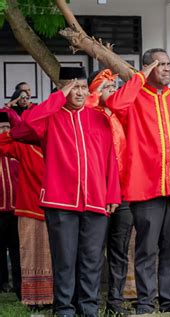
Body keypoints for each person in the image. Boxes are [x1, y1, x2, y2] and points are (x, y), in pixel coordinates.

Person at [19, 67, 121, 316]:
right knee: (64, 260)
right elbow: (23, 127)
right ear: (62, 89)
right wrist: (56, 97)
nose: (79, 92)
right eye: (73, 87)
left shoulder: (98, 118)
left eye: (83, 87)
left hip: (96, 201)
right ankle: (64, 308)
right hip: (60, 201)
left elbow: (111, 159)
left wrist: (112, 195)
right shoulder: (49, 117)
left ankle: (88, 308)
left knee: (91, 260)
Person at [106, 49, 170, 314]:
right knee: (146, 249)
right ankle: (145, 303)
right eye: (161, 64)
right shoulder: (135, 97)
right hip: (145, 186)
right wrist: (138, 78)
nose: (168, 69)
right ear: (147, 68)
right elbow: (114, 104)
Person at [86, 69, 135, 315]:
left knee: (120, 250)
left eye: (114, 86)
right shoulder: (87, 117)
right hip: (98, 194)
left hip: (124, 193)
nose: (111, 91)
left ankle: (115, 303)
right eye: (105, 87)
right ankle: (89, 303)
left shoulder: (121, 115)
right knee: (93, 253)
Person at [0, 109, 52, 306]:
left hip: (58, 210)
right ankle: (31, 298)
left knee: (55, 255)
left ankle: (55, 297)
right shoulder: (24, 148)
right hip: (29, 209)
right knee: (29, 254)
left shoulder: (60, 147)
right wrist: (13, 120)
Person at [0, 112, 20, 299]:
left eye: (7, 127)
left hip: (15, 208)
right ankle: (2, 283)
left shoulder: (16, 150)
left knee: (16, 248)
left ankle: (18, 284)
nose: (5, 131)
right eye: (1, 128)